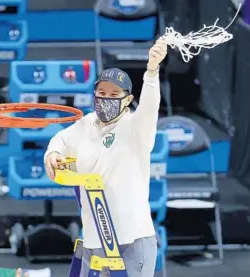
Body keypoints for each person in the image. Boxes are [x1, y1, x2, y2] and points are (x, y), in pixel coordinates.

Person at [44, 38, 168, 277]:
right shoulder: (85, 125)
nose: (106, 99)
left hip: (133, 240)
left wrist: (152, 72)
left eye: (114, 94)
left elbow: (150, 108)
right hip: (94, 239)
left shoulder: (136, 127)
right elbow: (60, 139)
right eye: (101, 93)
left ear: (128, 100)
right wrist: (53, 154)